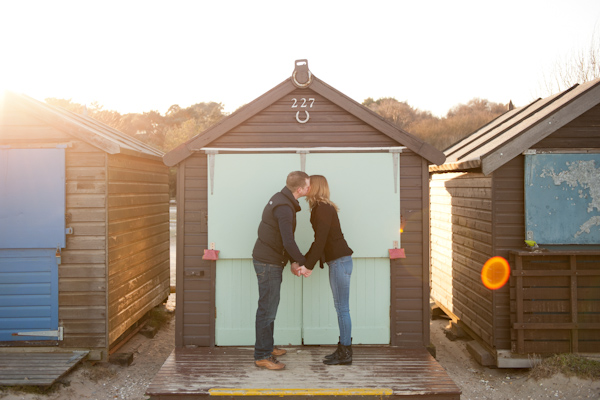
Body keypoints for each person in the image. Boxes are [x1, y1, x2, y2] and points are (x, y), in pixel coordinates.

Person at [251, 171, 310, 370]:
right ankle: (262, 355)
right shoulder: (284, 207)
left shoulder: (280, 200)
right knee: (267, 309)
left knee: (270, 307)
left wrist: (293, 261)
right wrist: (302, 262)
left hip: (270, 260)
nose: (310, 189)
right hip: (268, 263)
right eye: (308, 186)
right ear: (300, 189)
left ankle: (267, 346)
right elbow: (288, 240)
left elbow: (280, 239)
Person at [300, 175, 354, 365]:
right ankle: (343, 349)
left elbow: (320, 241)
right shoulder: (323, 207)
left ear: (314, 187)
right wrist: (305, 261)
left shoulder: (322, 208)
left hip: (340, 262)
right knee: (342, 308)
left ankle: (345, 352)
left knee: (342, 309)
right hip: (340, 262)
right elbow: (320, 241)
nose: (305, 188)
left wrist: (307, 265)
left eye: (307, 185)